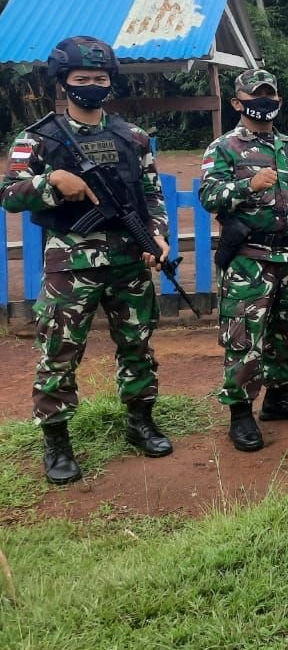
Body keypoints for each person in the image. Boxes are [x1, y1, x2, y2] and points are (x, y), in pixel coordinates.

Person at [1, 36, 173, 484]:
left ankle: (141, 421)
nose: (92, 85)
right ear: (64, 82)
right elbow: (9, 195)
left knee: (138, 344)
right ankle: (56, 442)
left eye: (100, 78)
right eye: (82, 78)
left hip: (128, 258)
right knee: (59, 352)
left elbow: (152, 196)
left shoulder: (133, 137)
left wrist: (158, 237)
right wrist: (53, 181)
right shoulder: (37, 138)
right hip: (71, 261)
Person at [199, 69, 288, 452]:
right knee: (244, 338)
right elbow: (208, 197)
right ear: (238, 102)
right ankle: (240, 414)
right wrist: (247, 186)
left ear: (279, 101)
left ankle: (277, 398)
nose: (264, 103)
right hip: (249, 258)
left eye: (270, 96)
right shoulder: (223, 147)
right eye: (256, 97)